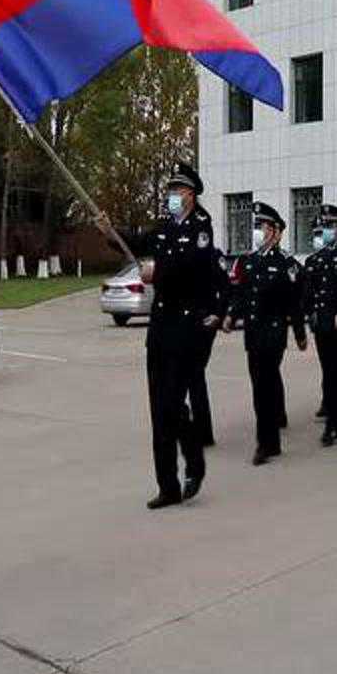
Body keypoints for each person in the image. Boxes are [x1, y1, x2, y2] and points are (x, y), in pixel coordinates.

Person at [101, 162, 226, 510]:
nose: (171, 196)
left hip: (187, 328)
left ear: (190, 194)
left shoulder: (202, 228)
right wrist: (110, 231)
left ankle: (194, 458)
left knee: (172, 402)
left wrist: (160, 271)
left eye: (176, 191)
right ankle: (167, 485)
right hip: (160, 327)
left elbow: (192, 267)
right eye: (169, 191)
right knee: (159, 409)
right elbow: (139, 241)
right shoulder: (164, 227)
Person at [224, 202, 308, 466]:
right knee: (260, 385)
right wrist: (230, 315)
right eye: (257, 226)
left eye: (263, 227)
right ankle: (271, 437)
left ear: (276, 232)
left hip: (274, 333)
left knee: (264, 384)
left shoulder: (286, 264)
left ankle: (266, 442)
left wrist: (299, 333)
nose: (259, 231)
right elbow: (241, 294)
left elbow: (294, 302)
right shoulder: (249, 262)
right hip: (253, 333)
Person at [302, 204, 337, 446]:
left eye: (331, 225)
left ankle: (333, 424)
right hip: (320, 323)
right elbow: (308, 290)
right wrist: (310, 313)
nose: (327, 230)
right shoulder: (315, 259)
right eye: (324, 225)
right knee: (330, 369)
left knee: (333, 369)